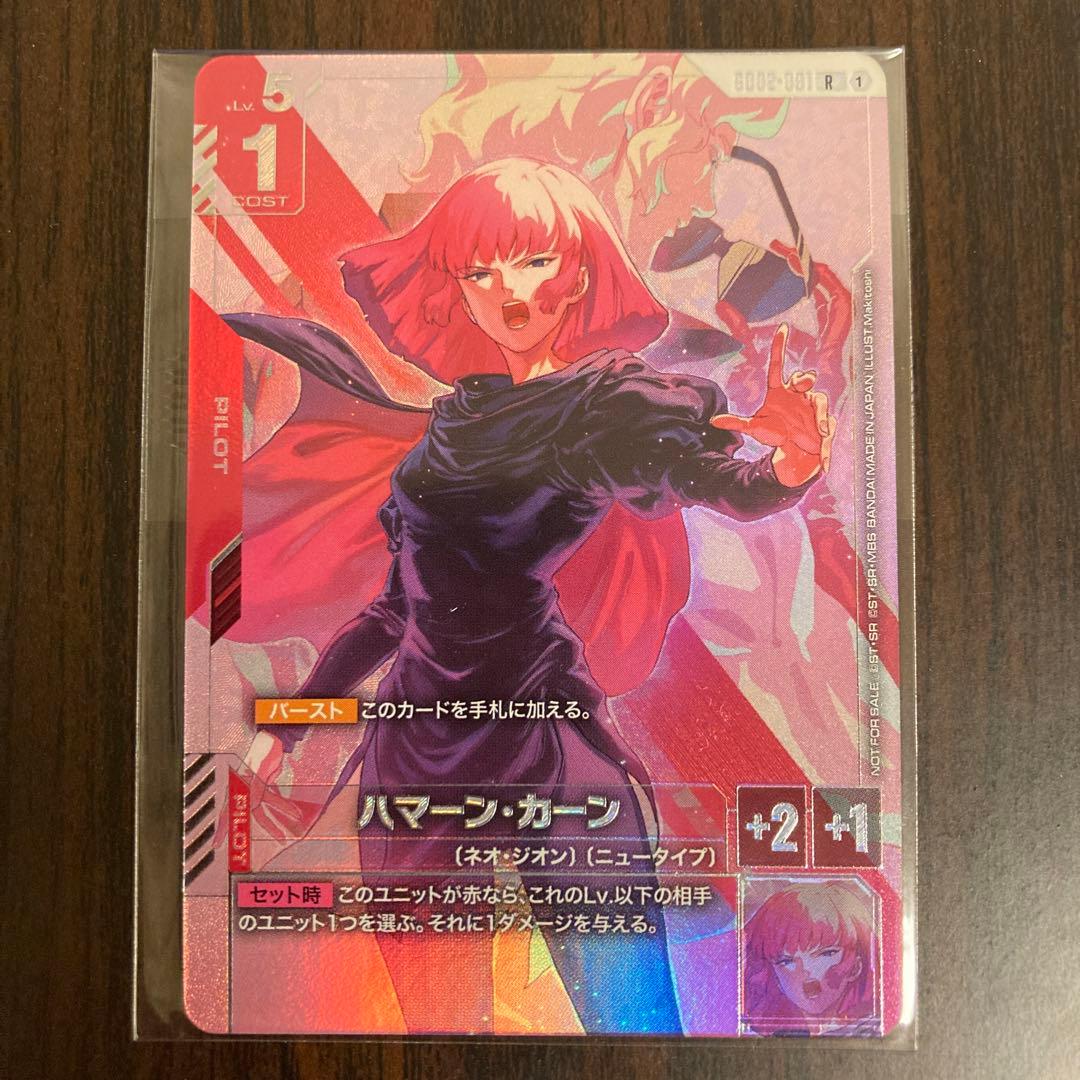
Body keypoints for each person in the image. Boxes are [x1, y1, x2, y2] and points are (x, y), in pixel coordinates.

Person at [225, 157, 834, 1034]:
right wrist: (286, 727)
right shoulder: (448, 427)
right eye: (480, 270)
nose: (508, 289)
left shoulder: (602, 405)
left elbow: (716, 481)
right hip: (416, 754)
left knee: (634, 1024)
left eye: (535, 260)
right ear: (458, 290)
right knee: (440, 1034)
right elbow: (397, 608)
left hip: (543, 738)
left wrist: (791, 465)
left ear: (579, 273)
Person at [742, 880, 877, 1035]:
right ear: (776, 977)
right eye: (786, 961)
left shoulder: (870, 1029)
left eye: (826, 953)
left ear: (855, 966)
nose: (806, 971)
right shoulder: (764, 1032)